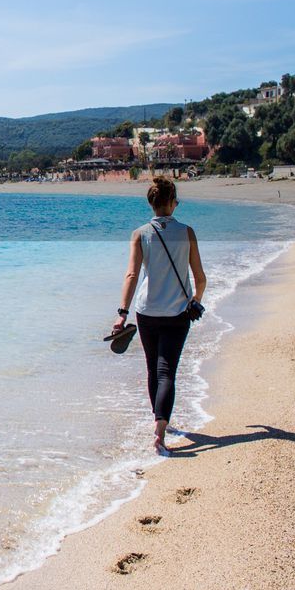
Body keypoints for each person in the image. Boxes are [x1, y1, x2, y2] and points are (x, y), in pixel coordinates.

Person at [111, 177, 207, 456]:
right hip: (177, 312)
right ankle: (160, 431)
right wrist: (196, 302)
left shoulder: (140, 233)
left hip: (146, 311)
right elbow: (200, 278)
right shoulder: (187, 232)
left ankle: (158, 419)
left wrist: (122, 314)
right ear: (172, 202)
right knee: (167, 371)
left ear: (152, 204)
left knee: (153, 368)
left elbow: (131, 275)